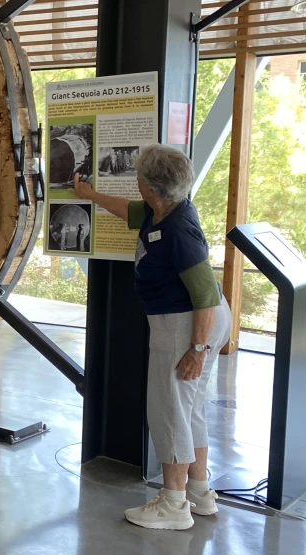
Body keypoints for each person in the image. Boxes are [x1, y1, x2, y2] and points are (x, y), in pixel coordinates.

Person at [73, 144, 232, 531]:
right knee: (189, 408)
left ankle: (174, 504)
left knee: (168, 410)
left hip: (187, 323)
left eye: (139, 176)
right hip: (191, 320)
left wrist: (196, 348)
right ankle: (197, 491)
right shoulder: (164, 208)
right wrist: (90, 195)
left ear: (149, 185)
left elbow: (205, 295)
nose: (137, 180)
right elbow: (128, 211)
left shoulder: (178, 230)